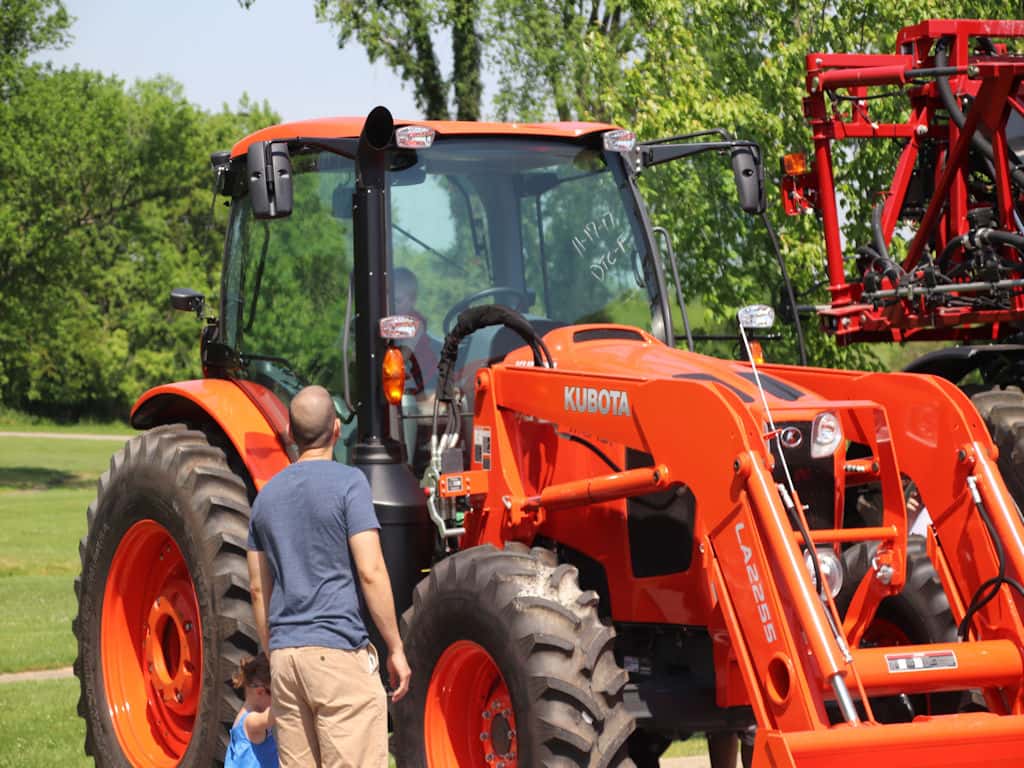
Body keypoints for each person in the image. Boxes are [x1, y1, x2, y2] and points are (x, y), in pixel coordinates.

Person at [247, 385, 412, 768]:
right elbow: (370, 571)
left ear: (289, 432)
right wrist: (395, 647)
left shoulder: (265, 499)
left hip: (286, 661)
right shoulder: (350, 483)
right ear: (337, 429)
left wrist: (275, 652)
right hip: (337, 655)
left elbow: (258, 588)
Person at [226, 653, 279, 768]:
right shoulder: (251, 721)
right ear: (260, 692)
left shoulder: (246, 712)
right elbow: (276, 714)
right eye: (276, 694)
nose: (277, 699)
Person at [393, 266, 439, 387]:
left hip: (427, 382)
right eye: (388, 299)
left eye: (397, 301)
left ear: (413, 301)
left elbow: (402, 357)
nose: (392, 305)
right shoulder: (390, 322)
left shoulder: (415, 323)